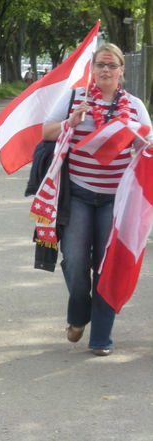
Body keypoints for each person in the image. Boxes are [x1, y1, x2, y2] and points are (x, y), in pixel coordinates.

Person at [42, 43, 152, 356]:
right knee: (76, 262)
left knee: (107, 265)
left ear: (121, 72)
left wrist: (143, 143)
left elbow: (149, 145)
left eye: (111, 66)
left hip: (115, 201)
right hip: (77, 194)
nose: (105, 70)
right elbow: (46, 131)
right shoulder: (76, 98)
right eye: (100, 65)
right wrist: (70, 123)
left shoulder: (133, 105)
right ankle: (78, 315)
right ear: (93, 70)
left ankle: (101, 337)